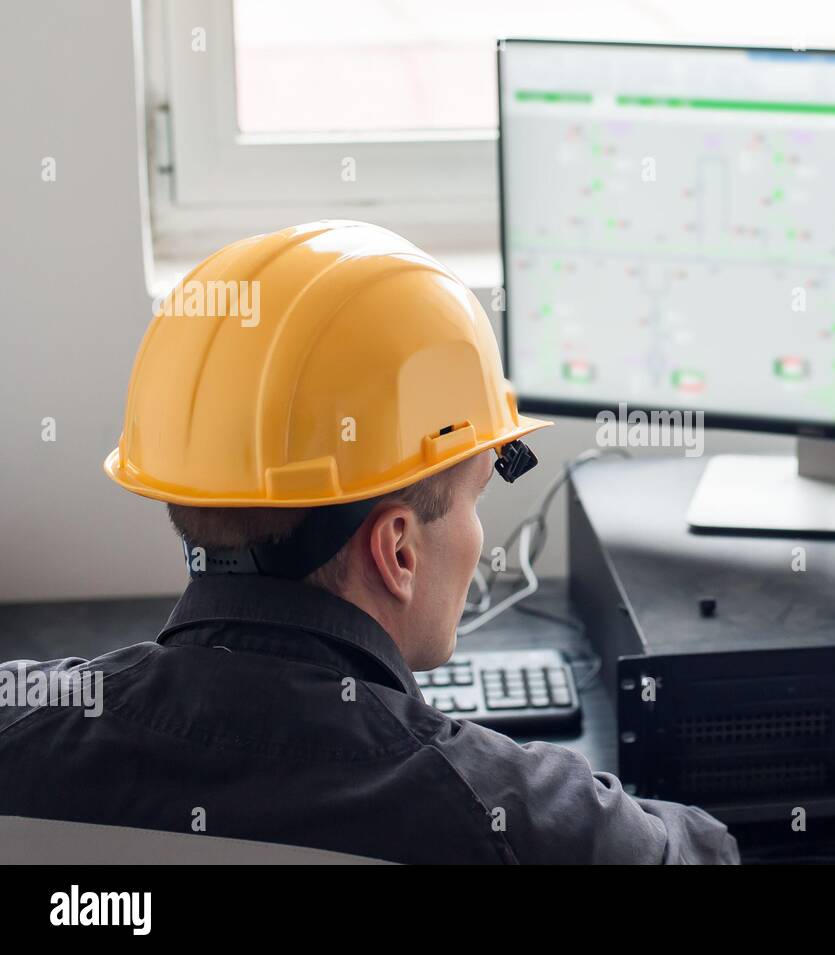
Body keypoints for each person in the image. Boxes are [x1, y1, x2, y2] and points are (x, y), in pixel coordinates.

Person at [0, 221, 739, 864]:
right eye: (476, 497)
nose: (480, 543)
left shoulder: (24, 727)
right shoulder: (516, 818)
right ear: (397, 550)